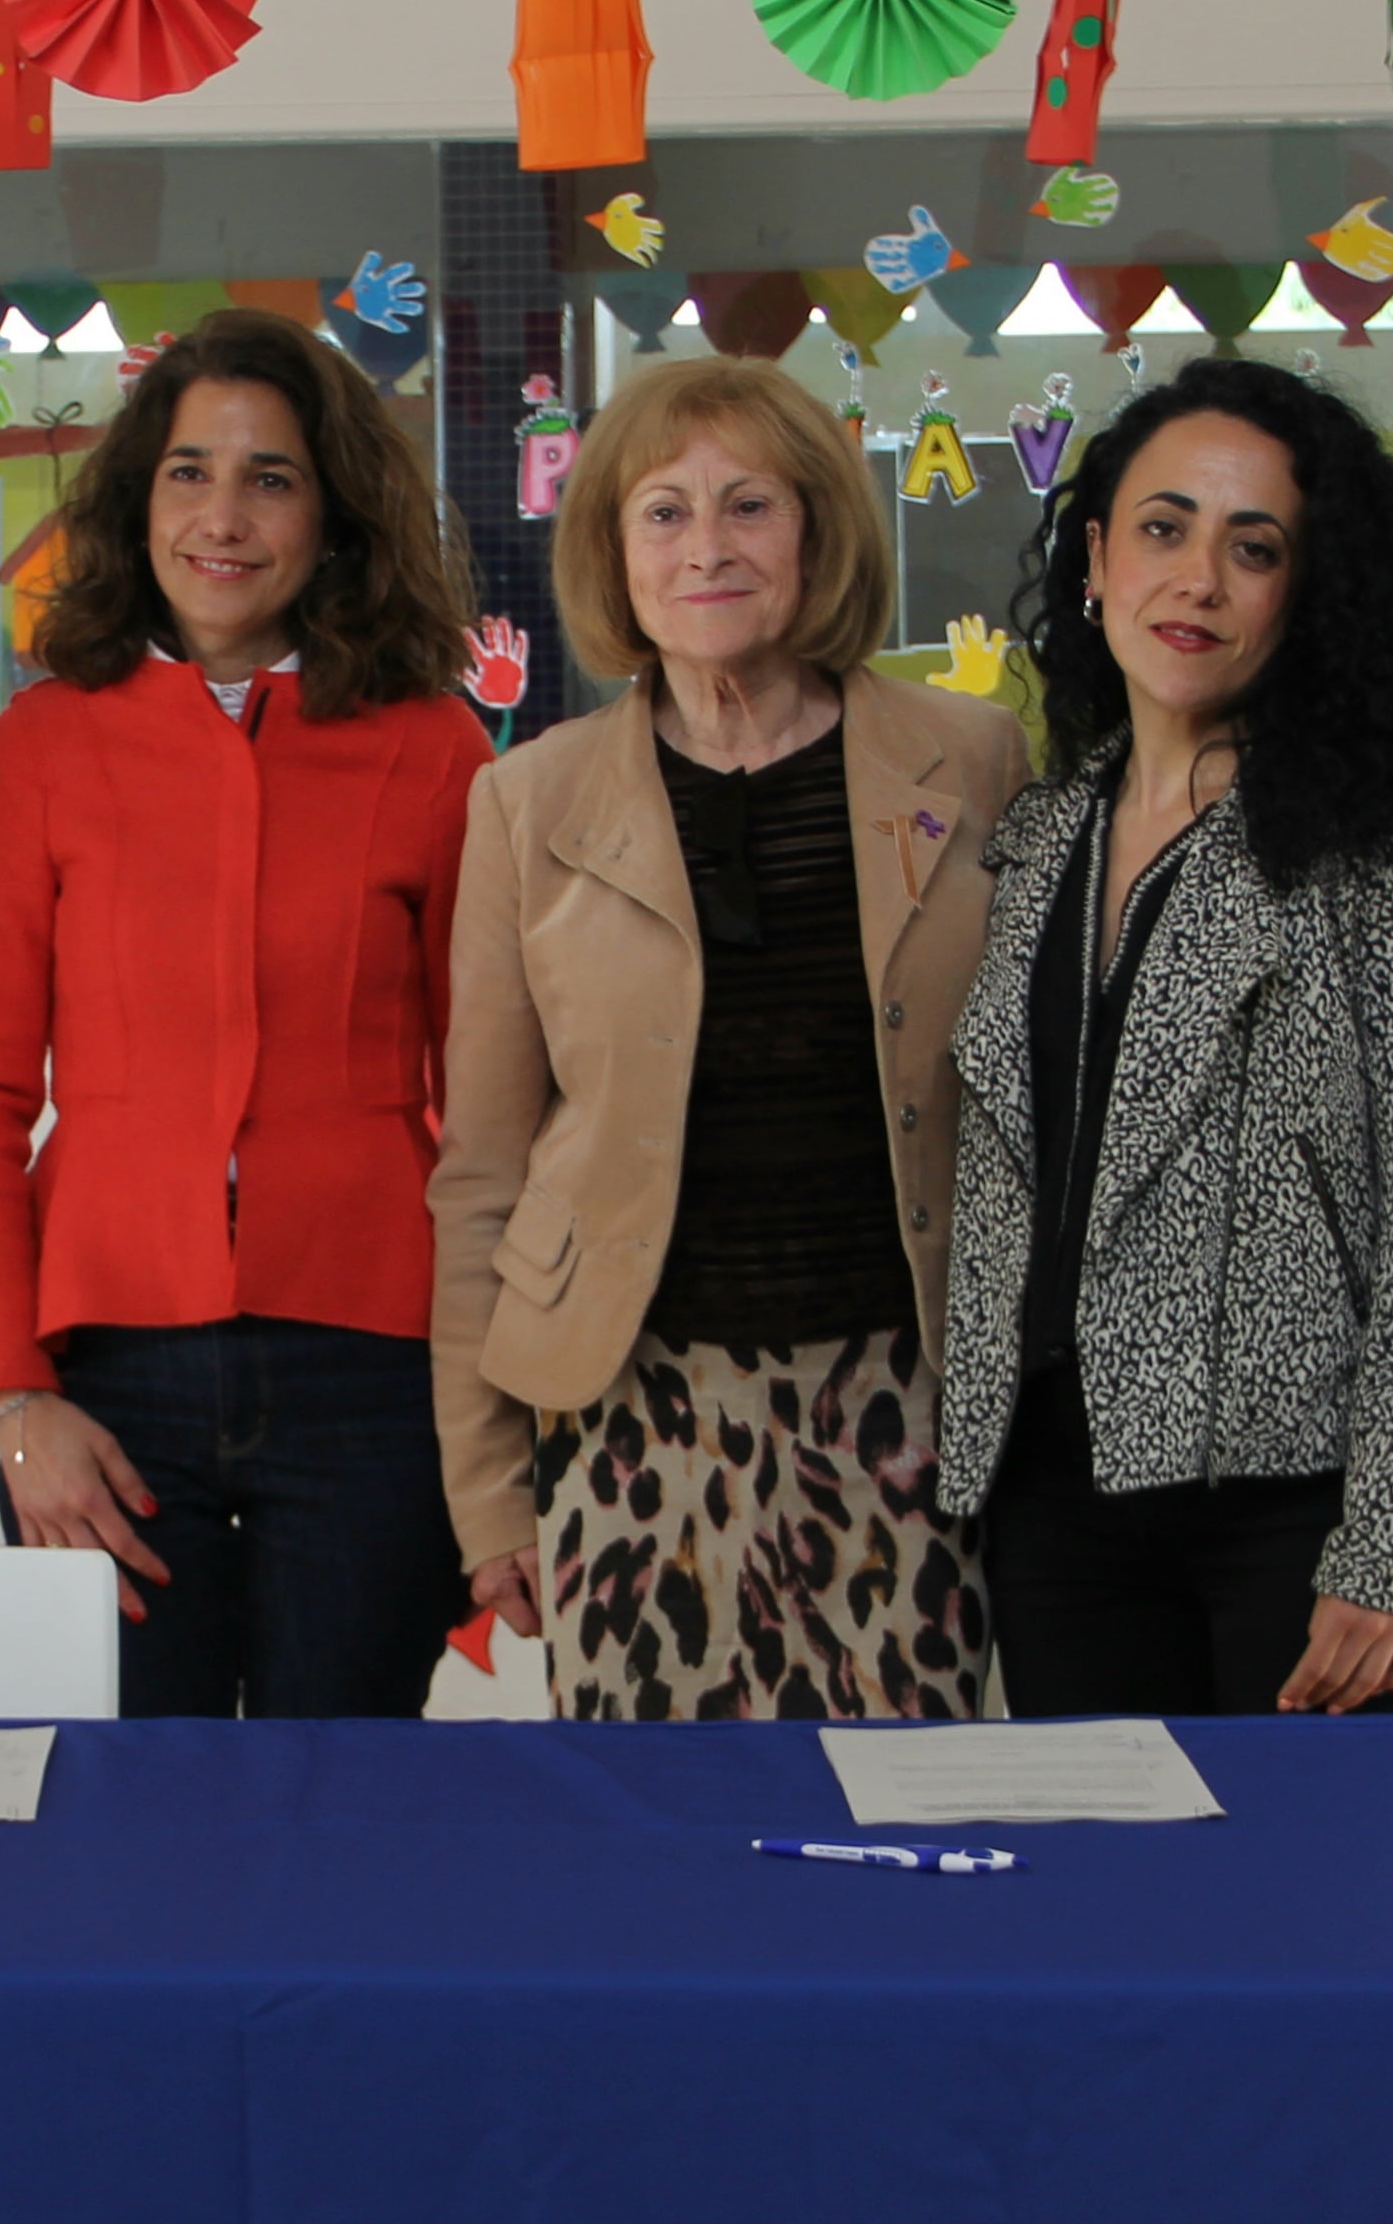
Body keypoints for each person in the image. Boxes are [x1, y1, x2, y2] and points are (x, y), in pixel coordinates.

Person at [428, 357, 1028, 1719]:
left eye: (750, 505)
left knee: (901, 1838)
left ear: (818, 532)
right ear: (613, 553)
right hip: (630, 1405)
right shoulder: (529, 801)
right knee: (656, 1862)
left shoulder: (976, 755)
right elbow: (481, 1171)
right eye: (664, 512)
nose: (707, 546)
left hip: (905, 1399)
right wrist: (485, 1492)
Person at [939, 357, 1393, 1717]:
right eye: (1163, 527)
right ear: (1095, 557)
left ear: (1303, 590)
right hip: (1056, 1504)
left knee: (1326, 1922)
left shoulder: (1390, 838)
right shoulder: (1038, 833)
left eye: (1251, 547)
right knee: (1111, 1924)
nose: (1196, 578)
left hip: (1304, 1514)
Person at [0, 311, 489, 1716]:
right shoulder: (37, 752)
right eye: (189, 472)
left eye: (271, 478)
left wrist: (493, 1415)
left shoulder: (434, 748)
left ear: (334, 514)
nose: (222, 518)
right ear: (138, 498)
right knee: (137, 1821)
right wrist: (9, 1399)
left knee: (340, 1814)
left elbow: (494, 1105)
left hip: (374, 1377)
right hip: (104, 1384)